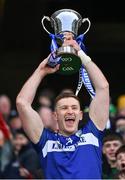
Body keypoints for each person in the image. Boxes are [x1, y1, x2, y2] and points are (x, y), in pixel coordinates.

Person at [16, 33, 109, 179]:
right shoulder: (45, 141)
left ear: (80, 114)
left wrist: (81, 54)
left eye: (74, 107)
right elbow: (22, 103)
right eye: (64, 108)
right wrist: (41, 71)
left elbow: (103, 87)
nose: (70, 111)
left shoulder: (93, 133)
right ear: (55, 115)